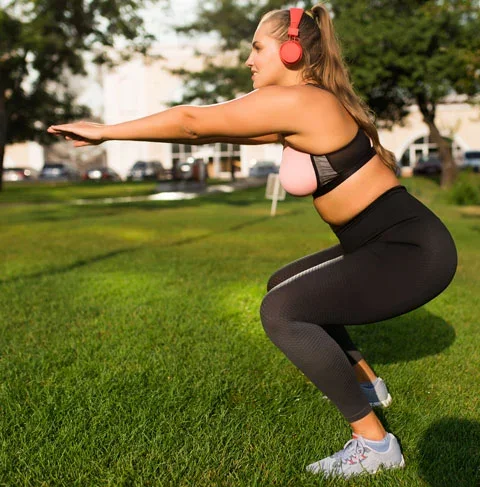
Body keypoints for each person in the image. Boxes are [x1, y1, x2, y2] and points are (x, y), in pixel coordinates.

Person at [48, 5, 457, 478]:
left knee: (282, 311)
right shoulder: (300, 105)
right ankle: (368, 388)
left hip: (409, 249)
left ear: (291, 50)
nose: (249, 59)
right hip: (381, 241)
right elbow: (208, 131)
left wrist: (105, 132)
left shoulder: (305, 101)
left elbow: (191, 123)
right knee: (283, 283)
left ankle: (375, 443)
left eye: (257, 47)